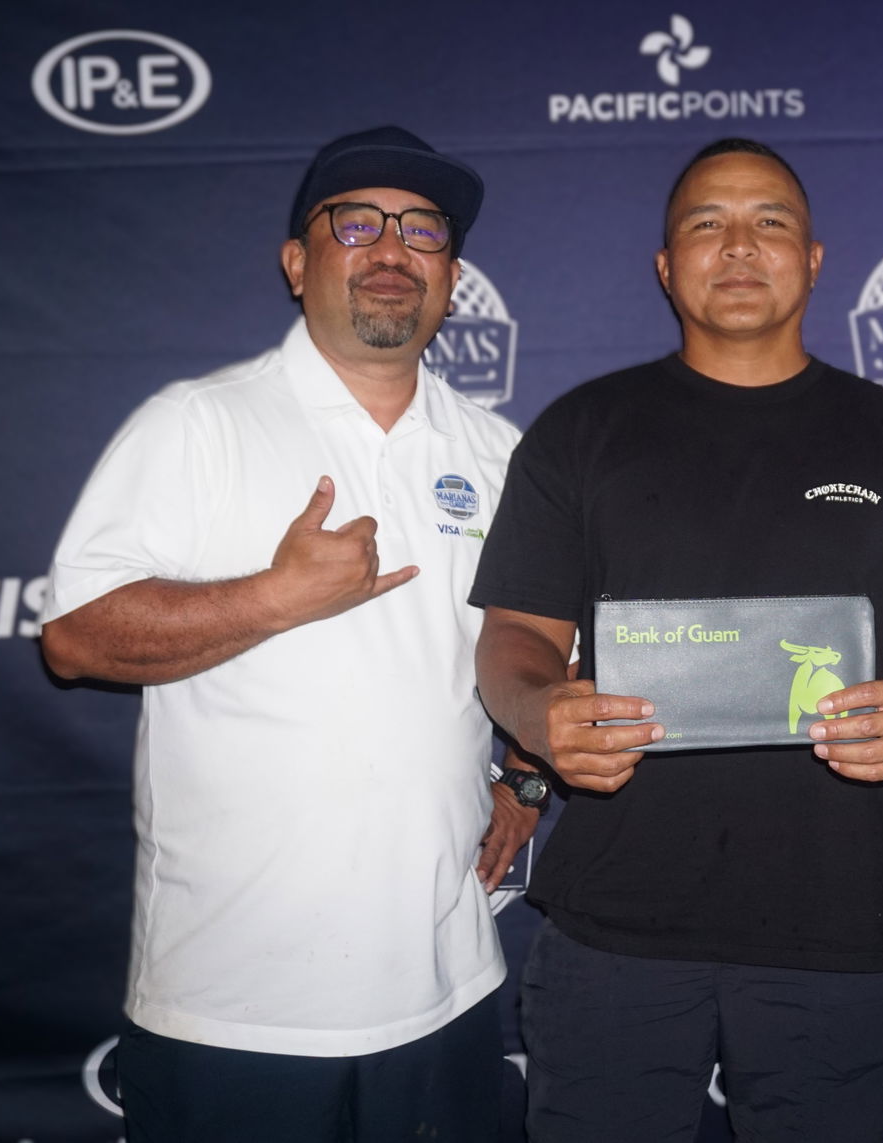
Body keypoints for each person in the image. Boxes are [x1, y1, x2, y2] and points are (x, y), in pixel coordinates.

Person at [469, 137, 883, 1142]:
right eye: (705, 224)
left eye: (771, 222)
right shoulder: (581, 431)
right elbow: (511, 642)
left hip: (832, 930)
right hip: (612, 929)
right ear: (667, 267)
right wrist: (540, 712)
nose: (740, 245)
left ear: (814, 259)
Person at [39, 126, 540, 1142]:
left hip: (445, 983)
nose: (392, 250)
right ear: (297, 262)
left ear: (450, 272)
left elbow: (535, 643)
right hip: (233, 1002)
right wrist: (274, 597)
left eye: (424, 230)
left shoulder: (498, 451)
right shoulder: (199, 424)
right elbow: (75, 639)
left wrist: (525, 774)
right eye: (356, 222)